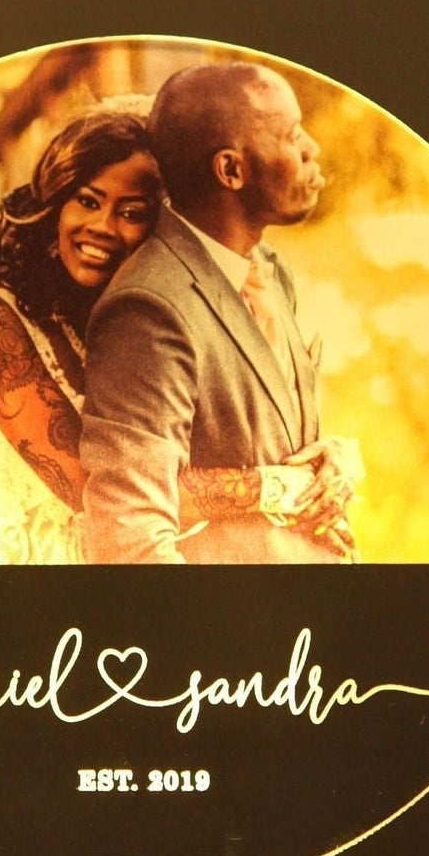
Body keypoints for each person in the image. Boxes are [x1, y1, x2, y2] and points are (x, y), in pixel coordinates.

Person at [0, 101, 347, 563]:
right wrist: (278, 487)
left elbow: (223, 442)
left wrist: (323, 462)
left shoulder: (142, 323)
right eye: (88, 201)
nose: (102, 226)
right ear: (56, 206)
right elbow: (111, 493)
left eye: (132, 212)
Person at [79, 63, 362, 564]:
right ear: (231, 170)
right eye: (292, 135)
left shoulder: (269, 271)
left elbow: (267, 439)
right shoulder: (147, 308)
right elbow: (130, 538)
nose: (311, 148)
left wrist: (332, 460)